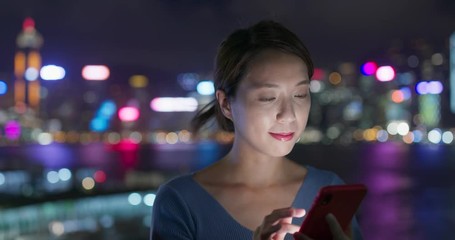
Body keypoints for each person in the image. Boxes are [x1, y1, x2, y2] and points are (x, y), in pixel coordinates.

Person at [150, 20, 363, 240]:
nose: (288, 115)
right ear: (226, 104)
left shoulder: (327, 189)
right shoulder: (181, 202)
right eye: (268, 98)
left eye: (300, 95)